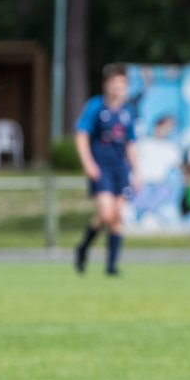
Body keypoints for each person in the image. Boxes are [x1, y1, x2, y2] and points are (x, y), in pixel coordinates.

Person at [74, 63, 139, 276]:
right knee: (106, 212)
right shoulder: (96, 106)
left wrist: (137, 171)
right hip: (101, 167)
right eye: (115, 83)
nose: (119, 88)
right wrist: (88, 163)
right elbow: (82, 135)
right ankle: (83, 248)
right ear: (106, 85)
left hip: (120, 168)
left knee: (116, 215)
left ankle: (111, 267)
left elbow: (130, 143)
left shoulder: (127, 111)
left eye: (123, 84)